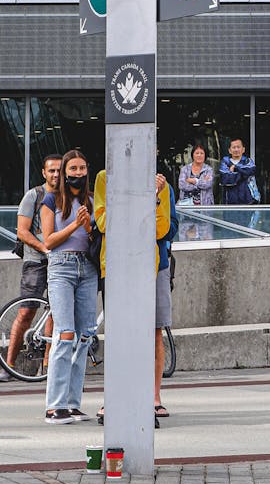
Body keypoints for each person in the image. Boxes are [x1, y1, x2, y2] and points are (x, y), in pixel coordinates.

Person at [93, 167, 172, 427]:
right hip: (114, 266)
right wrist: (142, 202)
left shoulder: (160, 185)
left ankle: (145, 399)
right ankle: (113, 398)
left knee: (144, 334)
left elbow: (161, 229)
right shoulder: (105, 178)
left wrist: (155, 198)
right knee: (118, 334)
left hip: (145, 266)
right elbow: (104, 223)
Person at [40, 150, 99, 423]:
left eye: (82, 168)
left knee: (85, 335)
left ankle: (73, 403)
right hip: (61, 267)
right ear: (64, 171)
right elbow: (48, 241)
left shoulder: (90, 200)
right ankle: (54, 405)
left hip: (87, 267)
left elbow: (94, 240)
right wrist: (76, 223)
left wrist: (88, 228)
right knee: (65, 334)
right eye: (73, 168)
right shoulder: (51, 200)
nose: (78, 173)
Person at [3, 154, 62, 379]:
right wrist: (45, 248)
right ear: (44, 173)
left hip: (61, 262)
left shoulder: (67, 196)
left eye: (59, 170)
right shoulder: (34, 195)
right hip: (36, 261)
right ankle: (9, 366)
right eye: (52, 171)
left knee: (56, 312)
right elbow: (22, 231)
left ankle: (47, 365)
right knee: (26, 311)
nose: (56, 174)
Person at [154, 175, 178, 419]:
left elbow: (170, 228)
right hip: (123, 266)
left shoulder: (165, 187)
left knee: (156, 330)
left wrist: (157, 197)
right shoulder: (109, 180)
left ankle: (155, 395)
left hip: (157, 263)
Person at [218, 138, 257, 206]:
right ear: (229, 150)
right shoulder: (225, 162)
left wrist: (235, 168)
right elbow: (225, 179)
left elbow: (249, 172)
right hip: (229, 201)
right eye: (234, 147)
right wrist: (241, 174)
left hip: (247, 200)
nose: (236, 149)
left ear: (243, 149)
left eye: (238, 147)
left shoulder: (248, 161)